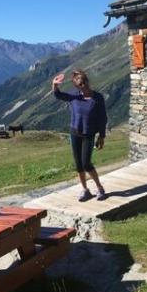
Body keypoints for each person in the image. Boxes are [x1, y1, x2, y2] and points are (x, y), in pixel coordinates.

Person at [52, 69, 108, 201]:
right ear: (76, 87)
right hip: (74, 133)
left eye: (84, 83)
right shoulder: (74, 96)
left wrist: (102, 136)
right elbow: (58, 95)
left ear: (87, 81)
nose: (83, 87)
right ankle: (85, 190)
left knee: (86, 163)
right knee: (78, 165)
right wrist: (54, 84)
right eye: (79, 85)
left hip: (88, 134)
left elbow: (103, 118)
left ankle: (100, 188)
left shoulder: (97, 98)